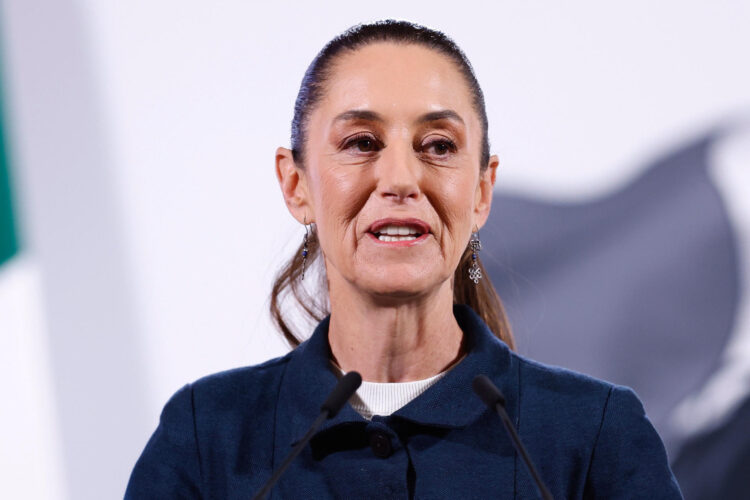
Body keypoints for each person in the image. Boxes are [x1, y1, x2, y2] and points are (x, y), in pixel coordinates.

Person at [125, 20, 683, 499]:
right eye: (362, 143)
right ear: (296, 185)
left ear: (482, 192)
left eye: (438, 146)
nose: (399, 179)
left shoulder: (595, 434)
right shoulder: (207, 436)